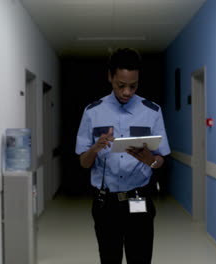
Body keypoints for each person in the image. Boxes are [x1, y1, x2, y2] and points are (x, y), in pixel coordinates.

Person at [75, 48, 170, 264]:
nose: (127, 92)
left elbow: (160, 158)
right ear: (110, 77)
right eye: (121, 85)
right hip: (106, 203)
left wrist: (151, 161)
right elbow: (83, 162)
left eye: (133, 86)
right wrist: (94, 149)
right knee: (109, 259)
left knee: (141, 258)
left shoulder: (152, 111)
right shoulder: (92, 112)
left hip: (139, 199)